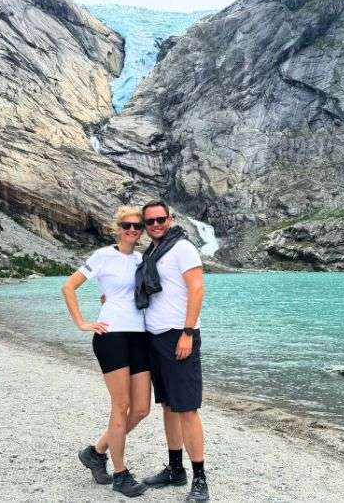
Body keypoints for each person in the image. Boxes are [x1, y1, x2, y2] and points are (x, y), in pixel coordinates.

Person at [62, 206, 150, 498]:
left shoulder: (142, 258)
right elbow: (69, 287)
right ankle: (121, 474)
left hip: (140, 336)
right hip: (110, 335)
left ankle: (96, 451)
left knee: (141, 409)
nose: (133, 231)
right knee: (121, 406)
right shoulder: (102, 256)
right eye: (127, 225)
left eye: (138, 226)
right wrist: (82, 323)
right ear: (117, 228)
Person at [136, 201, 209, 502]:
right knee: (167, 405)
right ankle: (175, 469)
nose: (155, 224)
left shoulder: (182, 248)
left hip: (179, 337)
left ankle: (200, 479)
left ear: (170, 219)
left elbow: (197, 289)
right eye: (149, 221)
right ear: (144, 224)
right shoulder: (151, 253)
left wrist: (187, 333)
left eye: (160, 219)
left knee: (187, 409)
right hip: (154, 338)